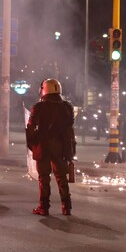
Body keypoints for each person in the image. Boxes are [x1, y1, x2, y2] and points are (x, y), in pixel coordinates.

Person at [26, 78, 76, 216]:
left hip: (43, 146)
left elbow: (30, 127)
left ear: (44, 89)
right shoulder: (67, 107)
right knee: (61, 177)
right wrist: (70, 148)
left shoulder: (39, 107)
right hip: (61, 146)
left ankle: (44, 207)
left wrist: (32, 144)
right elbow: (70, 127)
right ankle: (66, 207)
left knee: (44, 177)